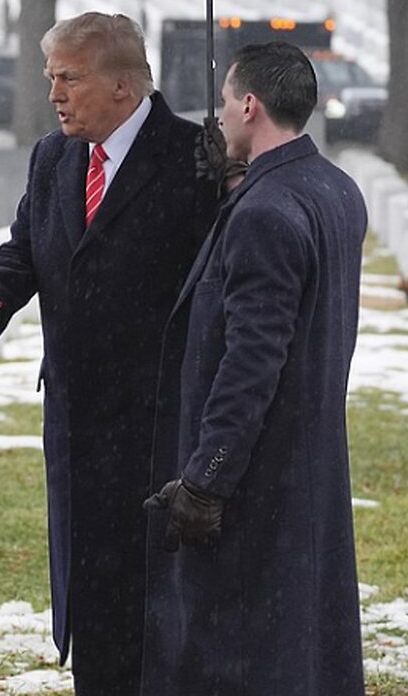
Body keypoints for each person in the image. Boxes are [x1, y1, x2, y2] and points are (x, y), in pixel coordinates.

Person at [0, 12, 218, 694]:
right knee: (93, 607)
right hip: (76, 432)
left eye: (69, 78)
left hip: (158, 431)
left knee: (157, 616)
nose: (54, 95)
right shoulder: (56, 156)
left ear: (124, 87)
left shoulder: (195, 159)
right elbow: (29, 247)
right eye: (51, 78)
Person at [142, 41, 367, 695]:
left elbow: (252, 363)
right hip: (310, 466)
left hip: (255, 483)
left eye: (222, 105)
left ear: (249, 104)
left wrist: (207, 481)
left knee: (242, 661)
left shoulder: (265, 215)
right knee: (301, 655)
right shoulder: (334, 188)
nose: (217, 121)